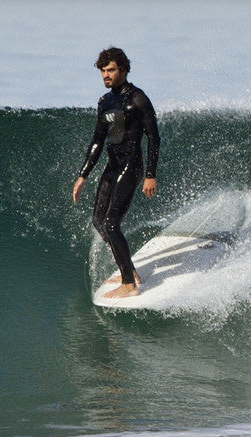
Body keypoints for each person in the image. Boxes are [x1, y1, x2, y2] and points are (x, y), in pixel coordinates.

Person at [71, 47, 161, 299]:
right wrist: (83, 175)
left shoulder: (138, 99)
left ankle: (129, 283)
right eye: (102, 70)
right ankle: (129, 270)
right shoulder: (105, 102)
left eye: (110, 70)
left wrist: (150, 175)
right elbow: (98, 140)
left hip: (131, 167)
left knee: (111, 223)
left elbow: (154, 138)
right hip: (112, 166)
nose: (105, 75)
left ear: (123, 69)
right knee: (99, 221)